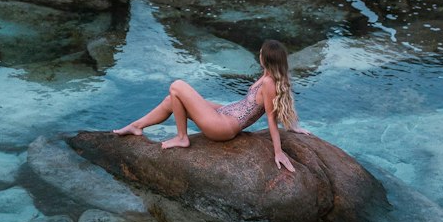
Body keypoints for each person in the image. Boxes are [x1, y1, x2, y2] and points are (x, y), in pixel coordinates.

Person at [112, 38, 305, 172]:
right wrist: (294, 126)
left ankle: (182, 137)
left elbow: (271, 117)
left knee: (177, 85)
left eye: (261, 53)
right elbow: (281, 106)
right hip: (225, 113)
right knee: (172, 100)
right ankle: (137, 126)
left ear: (266, 59)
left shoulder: (269, 83)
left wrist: (278, 152)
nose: (259, 54)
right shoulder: (269, 77)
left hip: (224, 126)